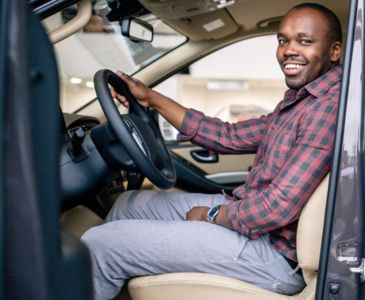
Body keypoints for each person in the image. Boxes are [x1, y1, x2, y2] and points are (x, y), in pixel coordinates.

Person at [80, 3, 343, 299]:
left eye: (304, 41)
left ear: (334, 51)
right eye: (283, 40)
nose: (288, 51)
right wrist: (151, 98)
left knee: (101, 244)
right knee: (128, 204)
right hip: (253, 223)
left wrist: (213, 215)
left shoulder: (327, 108)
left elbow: (275, 208)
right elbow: (227, 136)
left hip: (273, 255)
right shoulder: (302, 100)